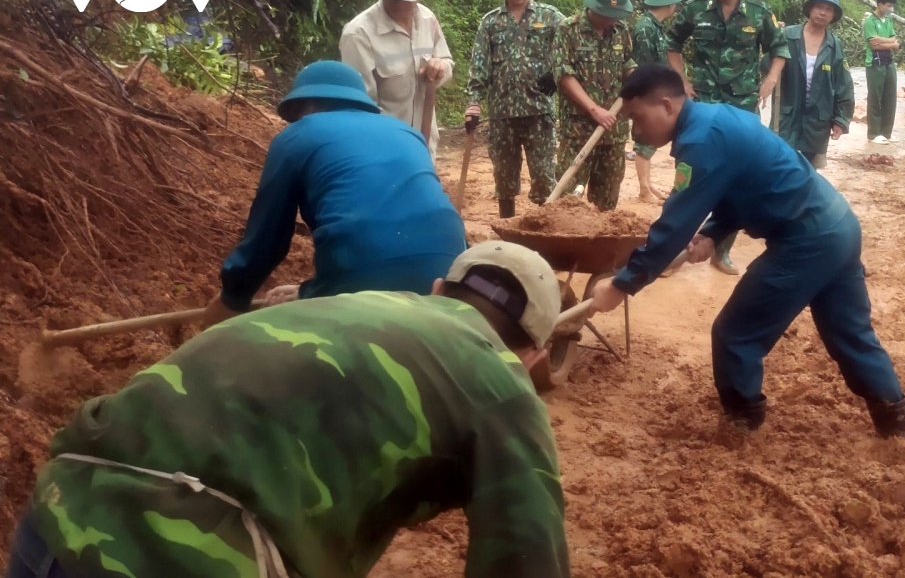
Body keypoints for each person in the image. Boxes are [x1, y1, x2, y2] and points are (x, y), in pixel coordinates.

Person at [8, 241, 570, 578]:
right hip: (180, 558)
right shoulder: (503, 384)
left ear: (438, 288)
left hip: (60, 506)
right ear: (535, 353)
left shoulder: (354, 302)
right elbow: (526, 564)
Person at [589, 64, 905, 438]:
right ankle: (897, 424)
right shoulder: (716, 119)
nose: (635, 131)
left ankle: (741, 422)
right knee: (850, 333)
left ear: (665, 106)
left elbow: (673, 226)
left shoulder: (700, 140)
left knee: (735, 334)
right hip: (838, 225)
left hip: (806, 240)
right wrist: (712, 232)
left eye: (637, 118)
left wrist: (622, 285)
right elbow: (741, 184)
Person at [201, 60, 467, 327]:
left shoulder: (296, 136)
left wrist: (232, 298)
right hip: (450, 277)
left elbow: (268, 239)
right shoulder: (409, 134)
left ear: (306, 105)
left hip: (362, 282)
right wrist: (315, 291)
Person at [667, 0, 789, 275]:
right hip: (702, 103)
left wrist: (771, 80)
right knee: (688, 172)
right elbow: (672, 43)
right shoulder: (695, 9)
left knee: (738, 176)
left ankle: (721, 250)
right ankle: (668, 249)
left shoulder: (759, 12)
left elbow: (780, 47)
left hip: (743, 106)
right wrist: (682, 81)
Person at [466, 0, 565, 217]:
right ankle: (507, 232)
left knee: (544, 176)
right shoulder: (490, 23)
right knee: (504, 178)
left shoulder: (551, 17)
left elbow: (570, 51)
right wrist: (474, 102)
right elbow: (479, 66)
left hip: (539, 112)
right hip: (502, 114)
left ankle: (547, 232)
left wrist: (557, 73)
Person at [341, 0, 453, 157]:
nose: (399, 2)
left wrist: (441, 67)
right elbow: (360, 108)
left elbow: (447, 63)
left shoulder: (428, 20)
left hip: (425, 147)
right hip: (383, 151)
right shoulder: (358, 34)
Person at [553, 0, 637, 212]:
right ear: (593, 8)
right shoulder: (568, 29)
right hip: (578, 130)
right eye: (609, 15)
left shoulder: (621, 31)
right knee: (567, 199)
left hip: (613, 131)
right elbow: (563, 74)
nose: (613, 20)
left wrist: (636, 74)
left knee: (606, 203)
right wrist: (593, 109)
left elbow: (626, 62)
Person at [777, 0, 854, 170]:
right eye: (819, 7)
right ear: (810, 9)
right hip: (788, 115)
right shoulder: (788, 35)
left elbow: (843, 84)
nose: (822, 12)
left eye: (828, 9)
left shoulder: (834, 45)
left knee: (810, 171)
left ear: (833, 15)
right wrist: (773, 38)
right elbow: (767, 66)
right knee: (781, 165)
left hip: (818, 120)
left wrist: (841, 120)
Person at [630, 0, 685, 202]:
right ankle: (643, 189)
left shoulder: (655, 27)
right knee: (644, 139)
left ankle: (648, 186)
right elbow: (644, 65)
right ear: (670, 5)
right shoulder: (645, 28)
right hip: (647, 92)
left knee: (651, 139)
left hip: (655, 91)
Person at [863, 0, 900, 145]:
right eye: (888, 5)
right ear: (880, 5)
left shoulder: (888, 20)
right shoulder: (870, 21)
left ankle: (886, 132)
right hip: (875, 64)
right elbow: (874, 44)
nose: (891, 8)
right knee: (875, 99)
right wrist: (890, 43)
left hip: (889, 63)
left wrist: (884, 41)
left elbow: (895, 41)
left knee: (890, 98)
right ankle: (873, 133)